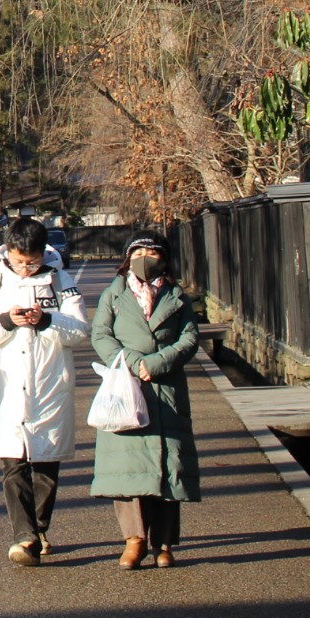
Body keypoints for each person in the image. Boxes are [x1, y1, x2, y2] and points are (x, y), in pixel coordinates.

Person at [0, 216, 90, 566]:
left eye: (31, 261)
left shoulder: (61, 281)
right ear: (8, 250)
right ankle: (24, 536)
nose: (25, 266)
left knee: (47, 462)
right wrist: (6, 321)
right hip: (6, 382)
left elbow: (80, 331)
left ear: (42, 253)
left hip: (50, 383)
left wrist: (46, 321)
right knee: (13, 461)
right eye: (19, 260)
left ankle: (39, 527)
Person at [90, 231, 202, 568]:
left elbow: (189, 339)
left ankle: (164, 544)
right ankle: (134, 540)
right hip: (125, 388)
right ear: (127, 258)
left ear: (164, 260)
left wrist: (156, 363)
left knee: (169, 469)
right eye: (138, 251)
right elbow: (100, 334)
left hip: (166, 390)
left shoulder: (177, 296)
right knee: (127, 470)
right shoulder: (114, 294)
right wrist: (131, 363)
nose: (144, 257)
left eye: (152, 252)